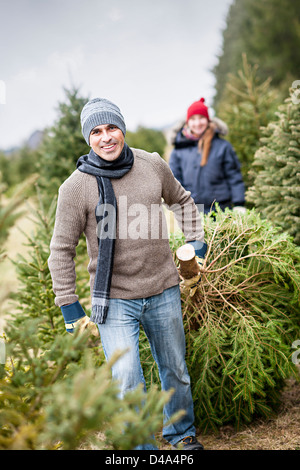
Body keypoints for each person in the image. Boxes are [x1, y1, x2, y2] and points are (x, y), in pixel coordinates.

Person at [48, 97, 208, 451]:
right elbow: (60, 250)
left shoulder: (151, 164)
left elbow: (181, 200)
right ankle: (139, 449)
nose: (106, 137)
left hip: (163, 288)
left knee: (175, 370)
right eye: (97, 131)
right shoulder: (75, 188)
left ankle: (181, 435)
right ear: (88, 139)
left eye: (111, 128)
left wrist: (196, 242)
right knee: (126, 381)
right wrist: (69, 306)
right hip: (115, 300)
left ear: (123, 128)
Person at [169, 97, 246, 214]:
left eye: (201, 118)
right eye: (193, 119)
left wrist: (239, 203)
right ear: (187, 122)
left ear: (208, 120)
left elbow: (234, 176)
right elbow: (175, 181)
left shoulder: (222, 146)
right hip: (193, 209)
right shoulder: (179, 149)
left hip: (222, 208)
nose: (197, 123)